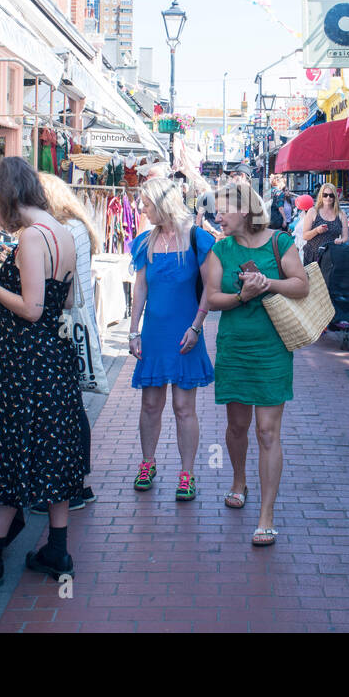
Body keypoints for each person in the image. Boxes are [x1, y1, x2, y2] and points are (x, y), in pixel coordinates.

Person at [0, 158, 86, 597]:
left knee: (11, 455)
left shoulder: (31, 237)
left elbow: (31, 309)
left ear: (8, 197)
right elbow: (64, 301)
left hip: (26, 366)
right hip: (54, 361)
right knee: (53, 452)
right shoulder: (62, 232)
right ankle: (58, 550)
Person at [201, 182, 308, 547]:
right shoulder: (219, 250)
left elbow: (301, 285)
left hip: (272, 348)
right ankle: (238, 479)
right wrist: (240, 296)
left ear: (245, 209)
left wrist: (268, 285)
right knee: (237, 426)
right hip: (235, 347)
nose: (217, 216)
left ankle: (266, 515)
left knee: (267, 431)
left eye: (223, 210)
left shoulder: (280, 242)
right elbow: (212, 298)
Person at [127, 177, 215, 502]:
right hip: (153, 334)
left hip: (185, 332)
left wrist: (197, 326)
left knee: (183, 407)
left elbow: (210, 287)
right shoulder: (144, 243)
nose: (142, 209)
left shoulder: (197, 239)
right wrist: (134, 330)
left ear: (162, 204)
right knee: (150, 404)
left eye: (146, 204)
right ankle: (147, 463)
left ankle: (187, 473)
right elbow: (140, 288)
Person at [34, 172, 100, 512]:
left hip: (67, 326)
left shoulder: (66, 230)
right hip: (76, 322)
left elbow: (65, 288)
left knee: (70, 409)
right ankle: (75, 483)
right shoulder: (75, 226)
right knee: (73, 407)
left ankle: (73, 484)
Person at [300, 182, 349, 265]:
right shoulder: (313, 211)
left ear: (335, 197)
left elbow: (345, 237)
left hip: (332, 257)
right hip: (313, 256)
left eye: (331, 195)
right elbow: (305, 236)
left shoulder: (341, 214)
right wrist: (317, 230)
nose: (328, 197)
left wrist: (340, 241)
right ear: (321, 196)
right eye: (325, 195)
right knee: (314, 278)